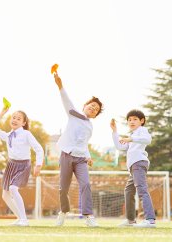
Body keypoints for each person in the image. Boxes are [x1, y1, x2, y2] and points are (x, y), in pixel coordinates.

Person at [53, 72, 103, 227]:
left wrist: (88, 157)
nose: (93, 108)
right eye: (92, 106)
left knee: (86, 184)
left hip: (81, 159)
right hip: (66, 156)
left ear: (95, 115)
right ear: (85, 106)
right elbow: (66, 100)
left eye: (96, 109)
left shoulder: (90, 126)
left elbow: (84, 144)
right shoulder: (74, 114)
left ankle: (88, 216)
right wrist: (60, 85)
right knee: (63, 188)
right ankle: (63, 212)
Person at [0, 106, 44, 227]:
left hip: (24, 165)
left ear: (23, 123)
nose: (15, 120)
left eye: (18, 119)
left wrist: (38, 164)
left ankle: (24, 220)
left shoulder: (26, 134)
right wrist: (2, 112)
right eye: (13, 117)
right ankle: (20, 218)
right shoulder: (8, 135)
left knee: (13, 188)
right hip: (11, 165)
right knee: (5, 195)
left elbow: (39, 149)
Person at [110, 109, 156, 228]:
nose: (131, 121)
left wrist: (130, 139)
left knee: (142, 190)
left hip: (139, 163)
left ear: (142, 121)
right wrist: (114, 131)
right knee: (129, 191)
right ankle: (130, 220)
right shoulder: (132, 135)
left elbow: (148, 140)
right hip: (133, 167)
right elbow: (119, 146)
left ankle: (150, 220)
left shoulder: (142, 130)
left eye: (135, 119)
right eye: (129, 120)